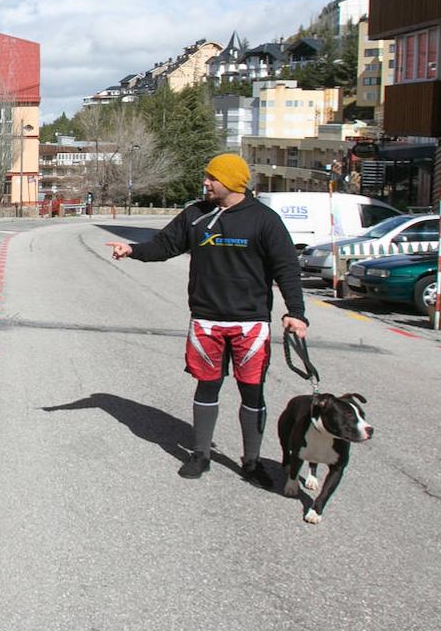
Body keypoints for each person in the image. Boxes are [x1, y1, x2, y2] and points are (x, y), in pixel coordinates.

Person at [106, 153, 308, 486]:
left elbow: (286, 267)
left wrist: (296, 313)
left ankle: (252, 461)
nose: (206, 182)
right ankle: (200, 455)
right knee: (207, 386)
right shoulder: (196, 215)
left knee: (252, 392)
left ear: (231, 181)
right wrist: (133, 250)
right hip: (206, 320)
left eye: (212, 178)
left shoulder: (264, 220)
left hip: (250, 324)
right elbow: (164, 245)